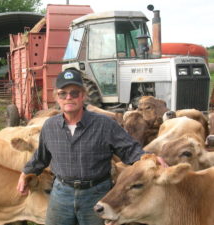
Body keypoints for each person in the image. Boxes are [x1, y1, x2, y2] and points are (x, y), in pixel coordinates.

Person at [17, 68, 146, 225]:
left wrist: (151, 160)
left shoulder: (104, 124)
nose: (68, 97)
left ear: (83, 96)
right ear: (57, 98)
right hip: (61, 193)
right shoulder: (50, 126)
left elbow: (131, 150)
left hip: (96, 194)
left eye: (74, 93)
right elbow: (41, 156)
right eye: (63, 93)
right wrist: (25, 173)